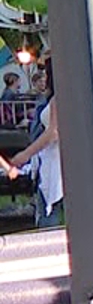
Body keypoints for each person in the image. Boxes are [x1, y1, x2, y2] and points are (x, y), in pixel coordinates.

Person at [0, 85, 62, 227]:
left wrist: (25, 155)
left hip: (54, 162)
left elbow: (53, 132)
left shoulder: (56, 99)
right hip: (47, 160)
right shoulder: (51, 99)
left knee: (49, 214)